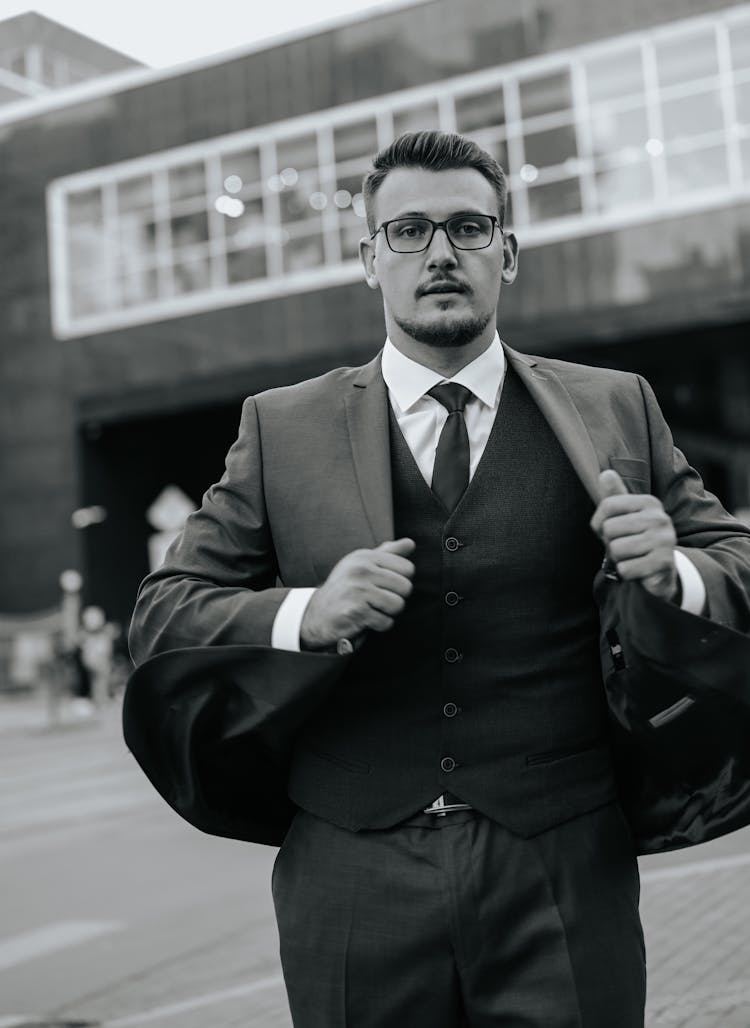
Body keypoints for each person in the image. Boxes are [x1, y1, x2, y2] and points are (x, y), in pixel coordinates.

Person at [128, 131, 750, 1028]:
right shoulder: (281, 428)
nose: (441, 254)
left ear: (508, 251)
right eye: (410, 231)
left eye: (468, 227)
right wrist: (307, 612)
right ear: (369, 260)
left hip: (564, 861)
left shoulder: (617, 405)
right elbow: (164, 614)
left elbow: (735, 565)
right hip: (351, 871)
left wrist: (675, 571)